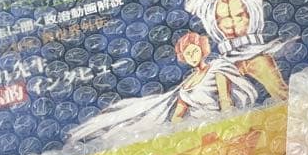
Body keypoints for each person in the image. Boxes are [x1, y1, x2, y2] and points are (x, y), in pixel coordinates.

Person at [66, 31, 259, 146]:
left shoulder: (217, 68)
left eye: (194, 51)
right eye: (187, 54)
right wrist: (174, 135)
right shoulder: (187, 84)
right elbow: (178, 114)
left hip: (218, 126)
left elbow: (225, 99)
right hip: (195, 131)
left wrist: (229, 127)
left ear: (202, 49)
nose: (192, 56)